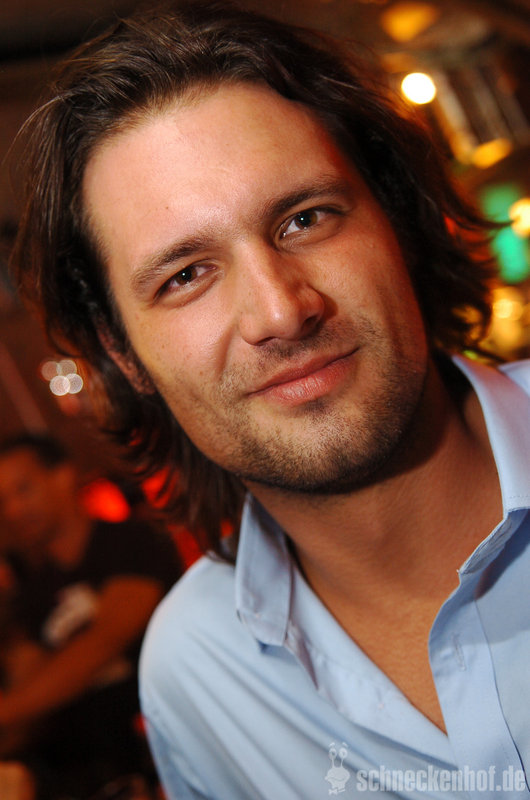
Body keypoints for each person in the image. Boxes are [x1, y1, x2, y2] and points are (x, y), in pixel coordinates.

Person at [9, 2, 530, 797]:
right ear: (122, 354)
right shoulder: (197, 675)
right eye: (186, 275)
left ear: (396, 224)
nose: (282, 312)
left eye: (304, 219)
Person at [0, 433, 181, 799]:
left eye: (23, 490)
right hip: (90, 777)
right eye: (2, 502)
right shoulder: (30, 595)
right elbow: (28, 686)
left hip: (171, 749)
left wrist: (8, 710)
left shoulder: (131, 542)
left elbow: (105, 640)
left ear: (63, 476)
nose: (14, 511)